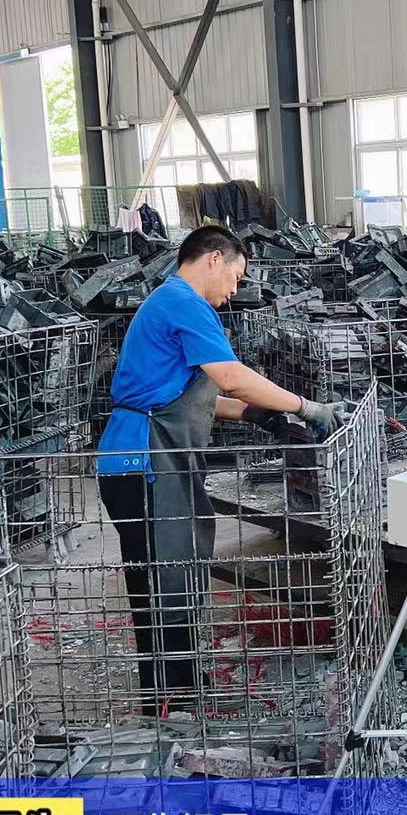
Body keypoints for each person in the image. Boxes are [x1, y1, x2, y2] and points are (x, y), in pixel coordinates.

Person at [96, 224, 348, 713]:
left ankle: (181, 689)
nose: (235, 291)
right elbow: (231, 376)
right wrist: (305, 406)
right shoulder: (183, 303)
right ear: (214, 258)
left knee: (178, 573)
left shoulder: (169, 304)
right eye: (236, 276)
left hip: (156, 460)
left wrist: (258, 415)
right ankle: (170, 703)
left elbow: (198, 398)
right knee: (163, 581)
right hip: (143, 461)